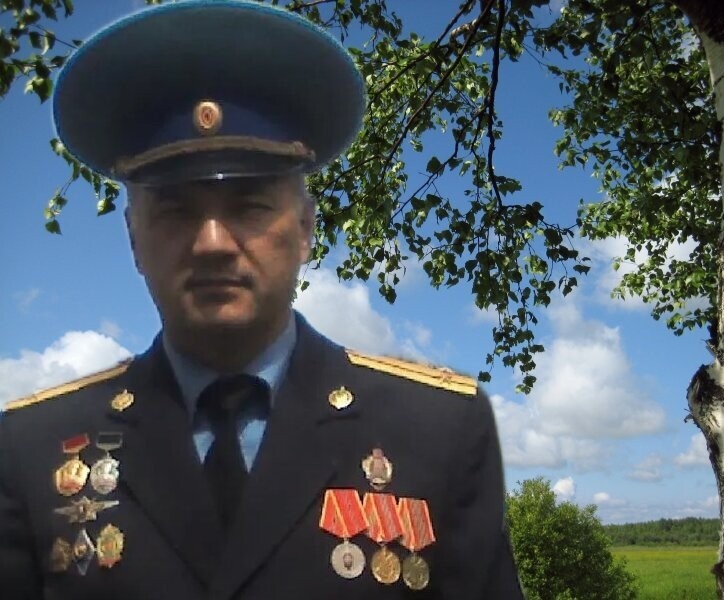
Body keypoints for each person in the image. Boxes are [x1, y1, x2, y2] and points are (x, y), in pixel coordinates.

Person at [0, 2, 524, 599]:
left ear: (305, 230)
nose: (213, 243)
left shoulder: (440, 430)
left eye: (249, 206)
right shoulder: (31, 449)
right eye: (175, 210)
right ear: (133, 240)